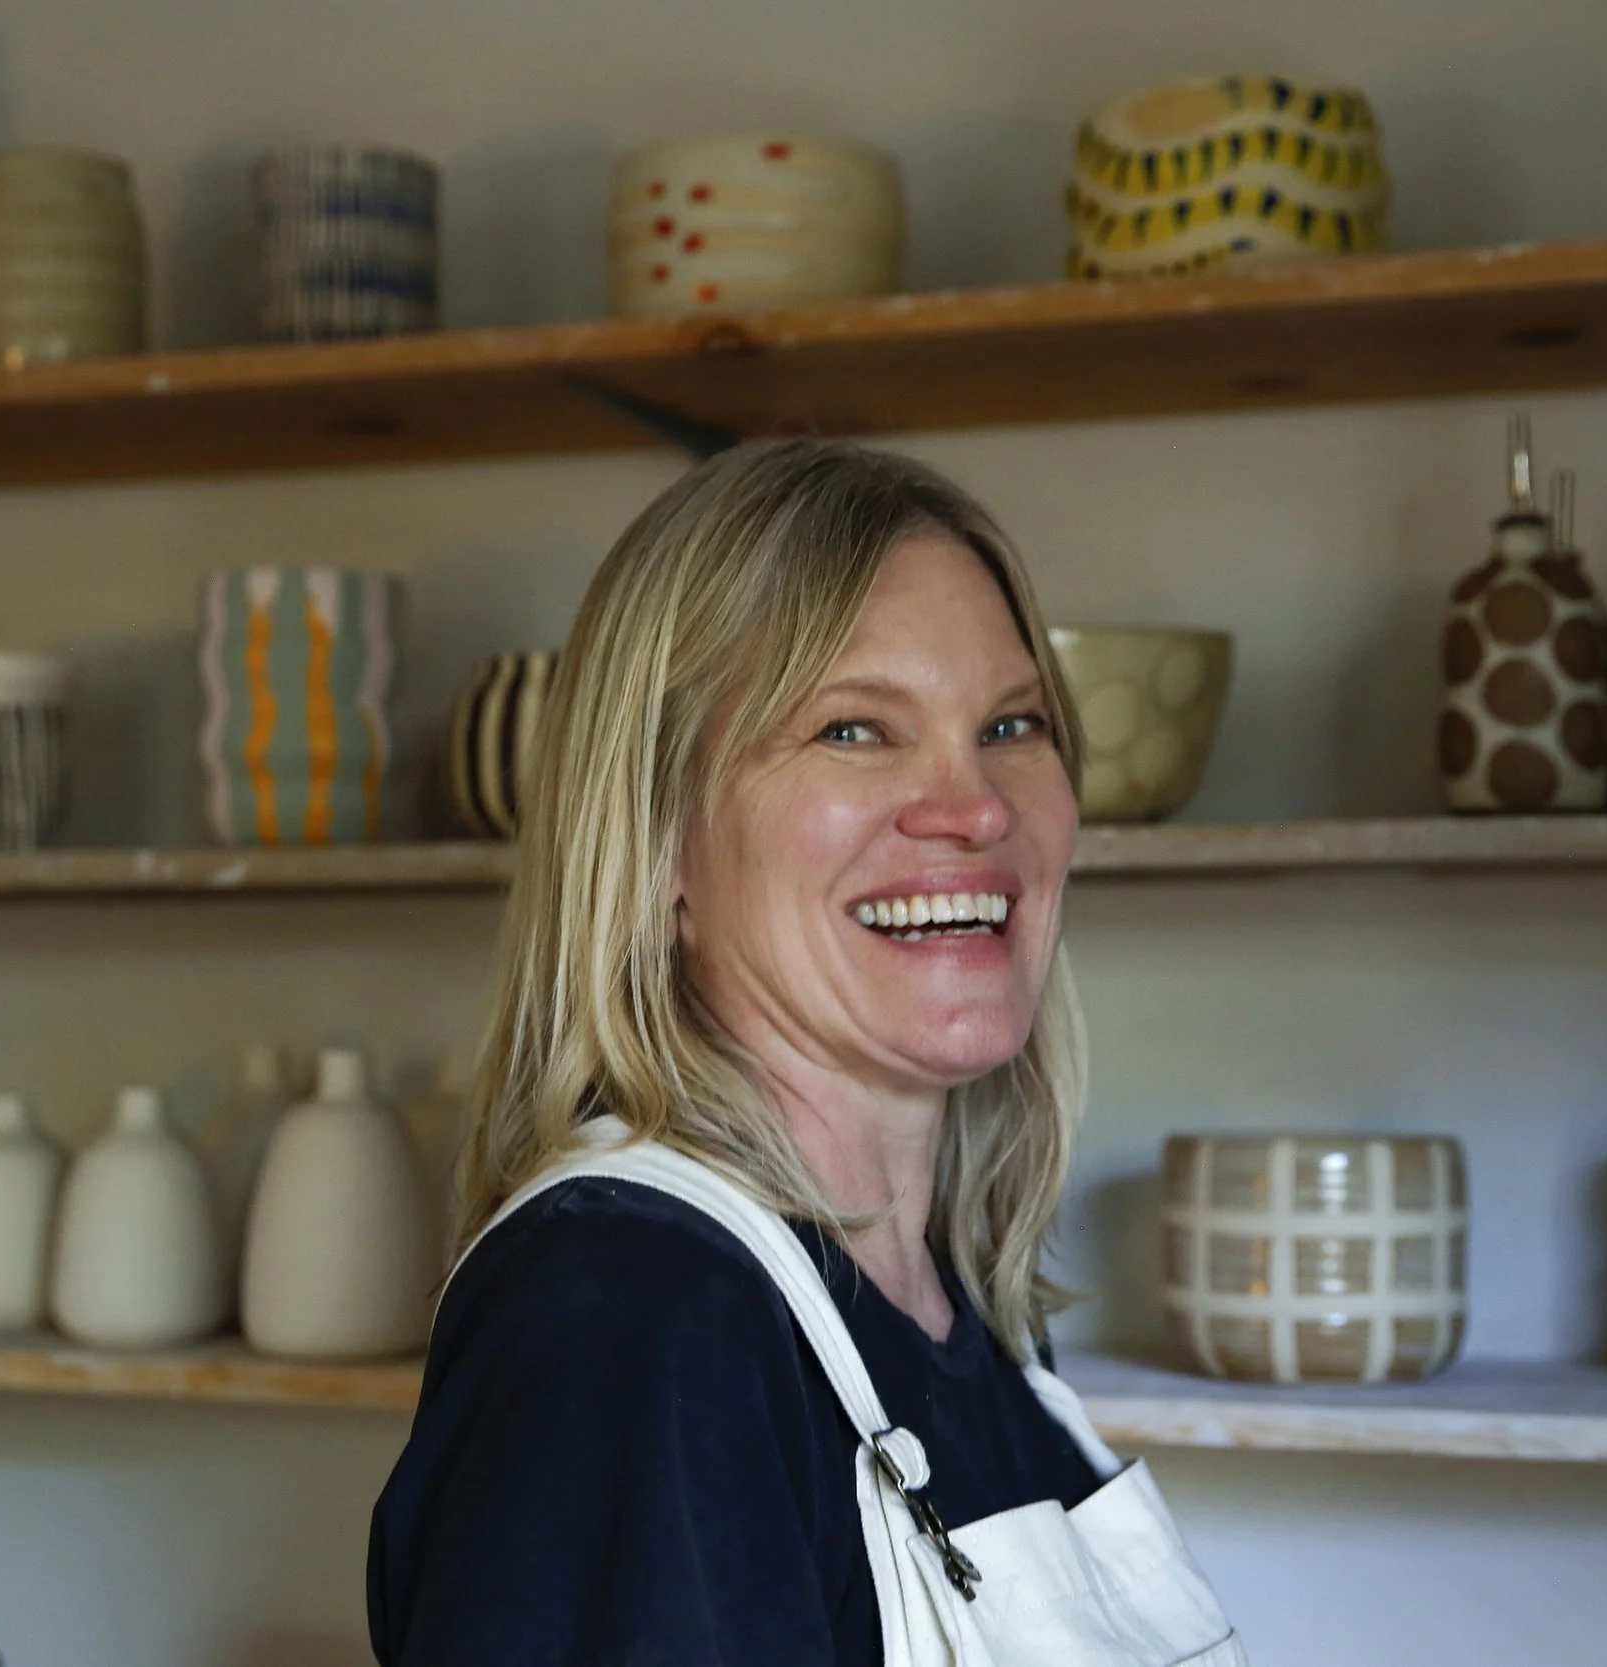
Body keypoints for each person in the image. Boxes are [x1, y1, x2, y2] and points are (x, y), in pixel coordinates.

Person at [368, 439, 1242, 1667]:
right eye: (853, 729)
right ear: (659, 839)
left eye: (1011, 722)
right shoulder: (630, 1322)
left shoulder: (961, 1304)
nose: (976, 805)